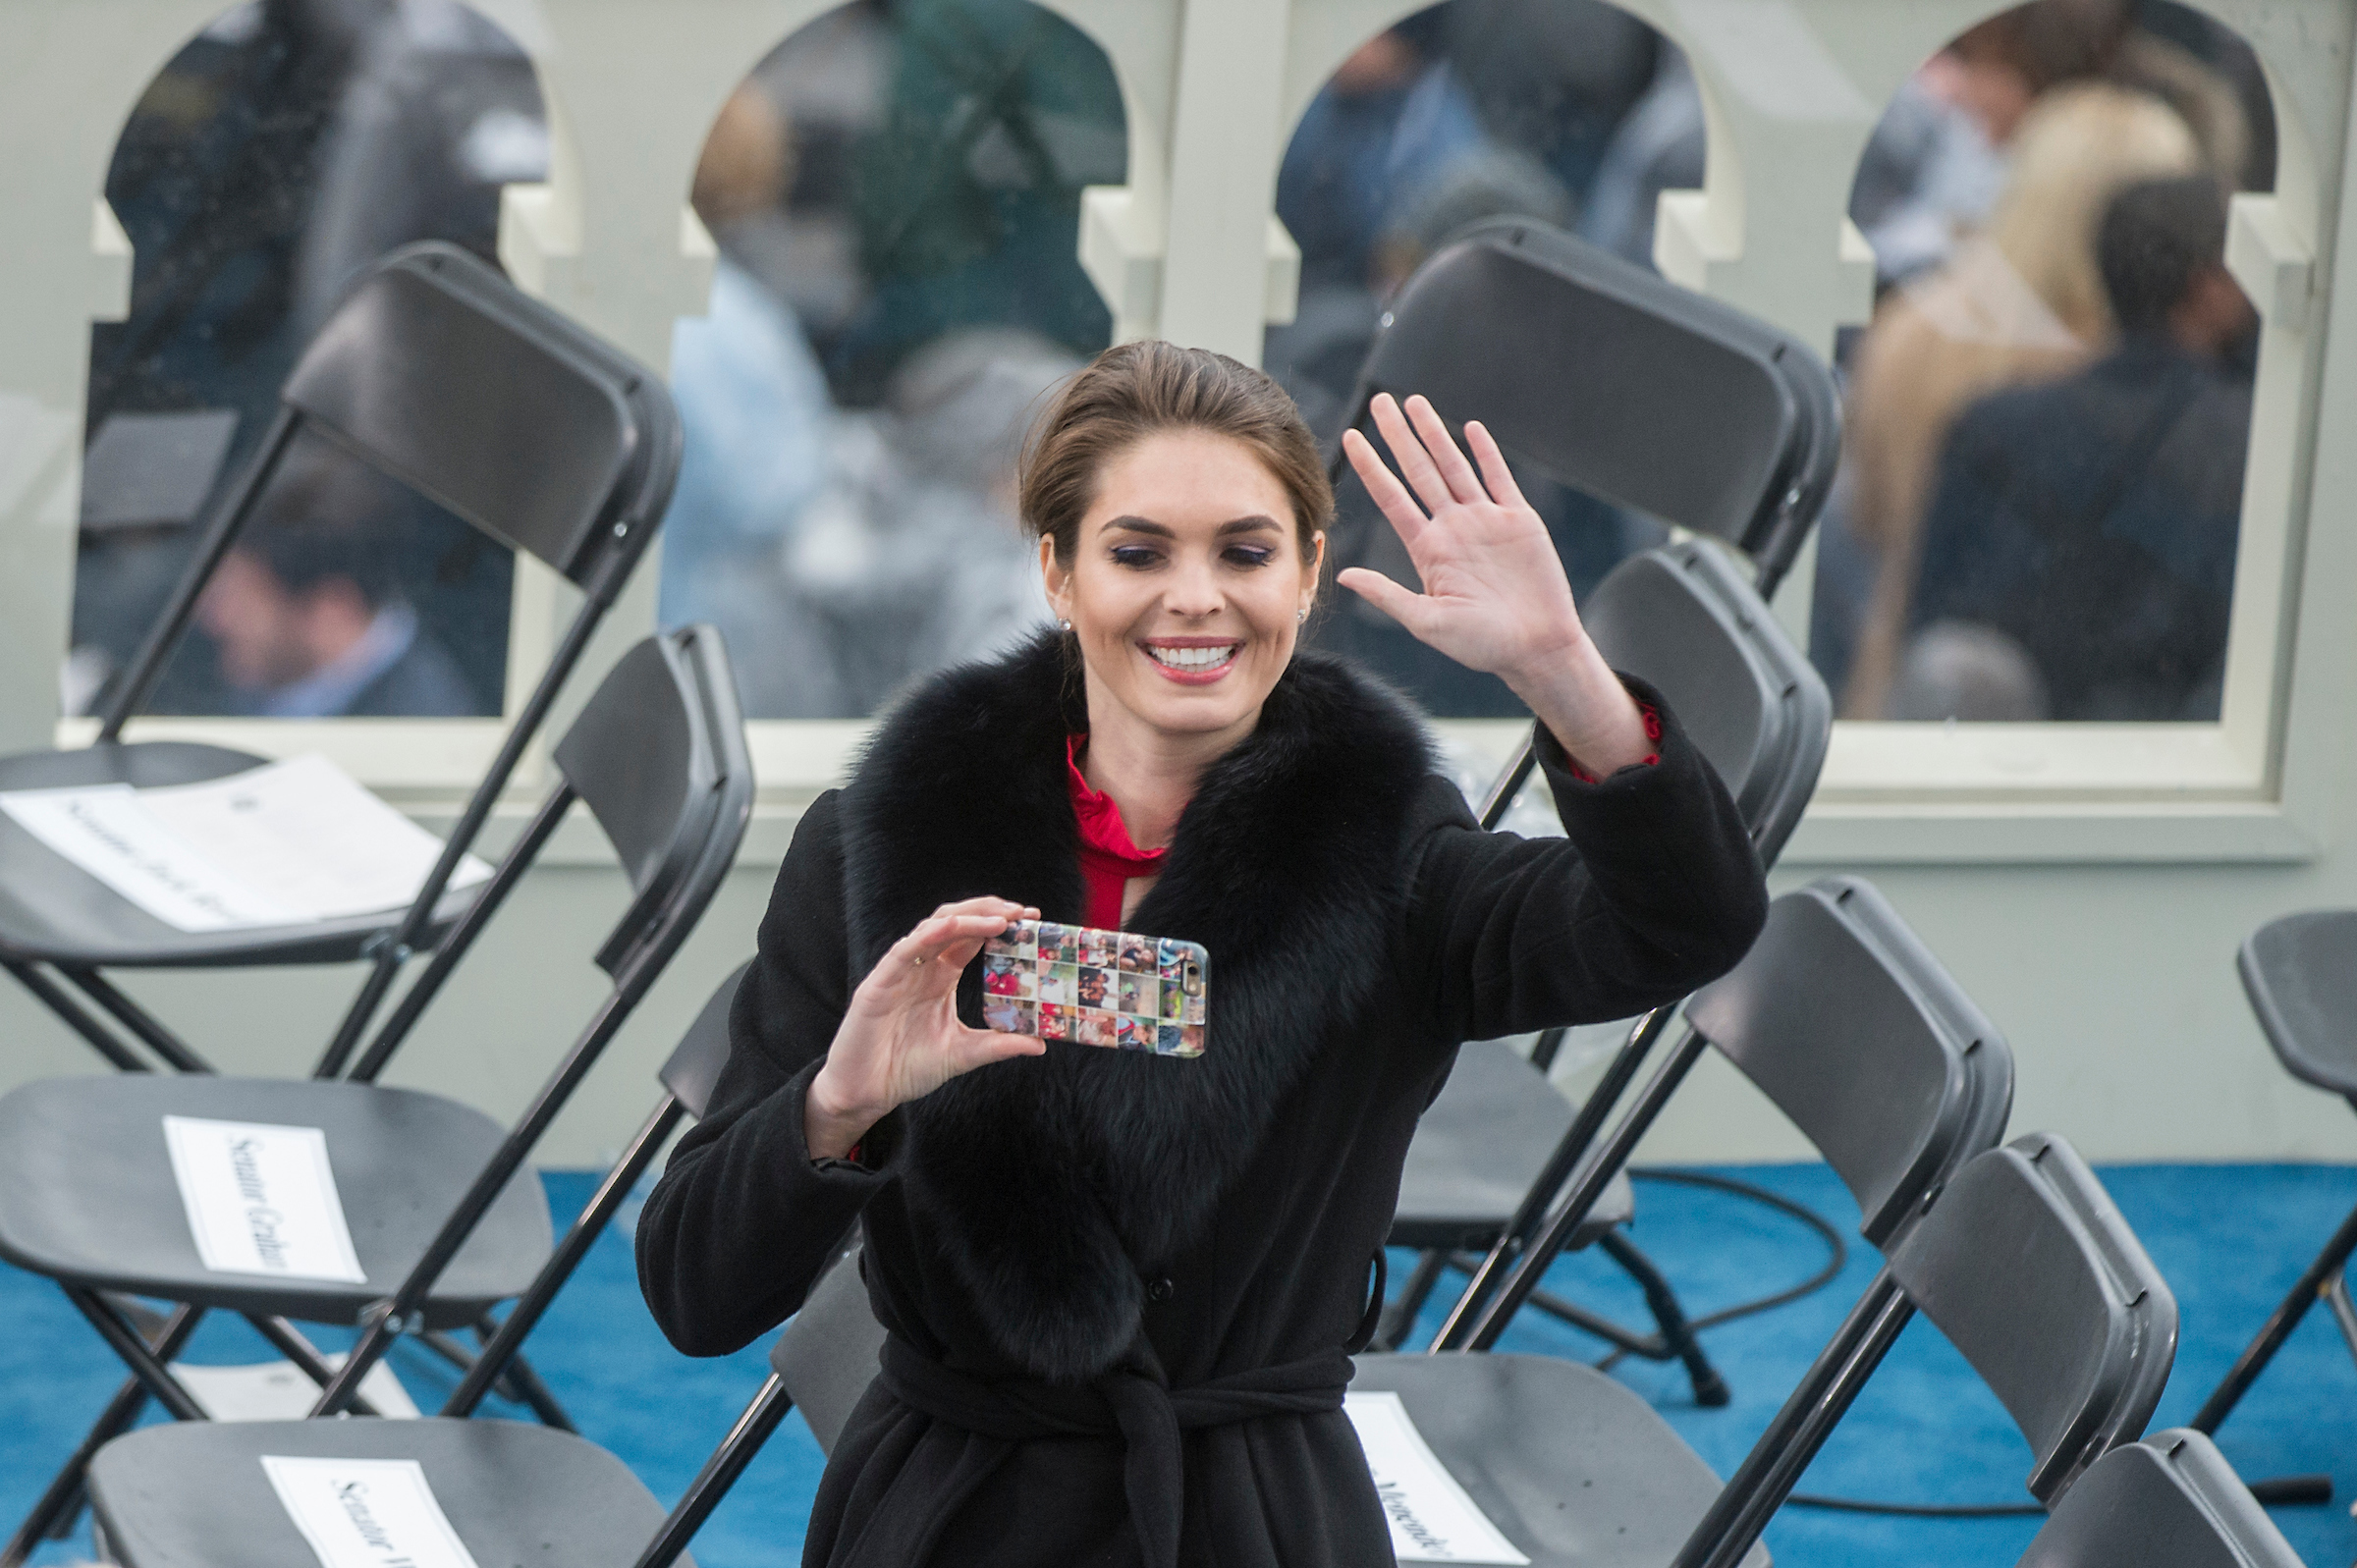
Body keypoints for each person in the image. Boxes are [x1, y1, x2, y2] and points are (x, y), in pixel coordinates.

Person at [634, 341, 1768, 1565]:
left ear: (1309, 574)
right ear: (1058, 574)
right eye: (1137, 552)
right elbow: (696, 1291)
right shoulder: (882, 846)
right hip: (952, 1512)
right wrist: (837, 1105)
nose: (1195, 597)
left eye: (1244, 551)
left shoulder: (1390, 858)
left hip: (1251, 1515)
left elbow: (1683, 926)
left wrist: (1561, 671)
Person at [1836, 82, 2200, 716]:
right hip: (2064, 730)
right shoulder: (2134, 404)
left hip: (1900, 690)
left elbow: (1862, 521)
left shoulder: (1911, 326)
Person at [1899, 175, 2254, 720]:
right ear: (2209, 285)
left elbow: (1934, 629)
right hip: (2175, 767)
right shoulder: (2254, 445)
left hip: (1992, 767)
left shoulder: (1997, 423)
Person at [193, 447, 477, 717]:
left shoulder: (421, 733)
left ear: (334, 611)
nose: (210, 618)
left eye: (233, 596)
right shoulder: (243, 687)